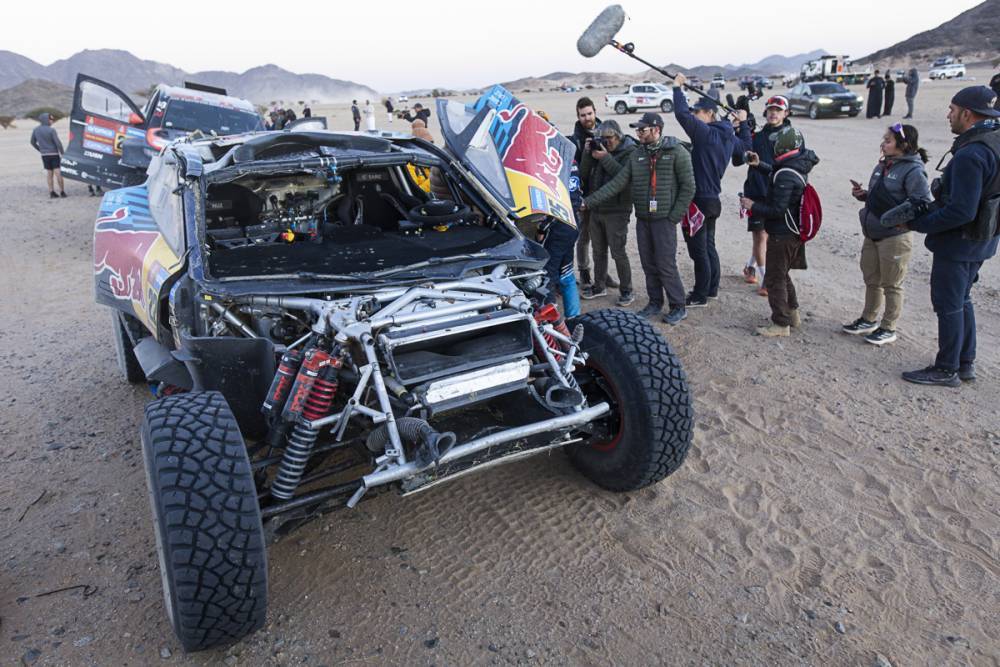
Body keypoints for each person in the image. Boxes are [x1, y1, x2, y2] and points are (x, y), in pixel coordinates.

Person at [890, 86, 1000, 386]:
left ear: (967, 113)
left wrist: (917, 224)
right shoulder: (993, 140)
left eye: (952, 109)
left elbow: (961, 211)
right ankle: (965, 363)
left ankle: (946, 368)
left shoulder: (973, 152)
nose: (948, 114)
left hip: (960, 240)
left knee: (949, 303)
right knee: (963, 299)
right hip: (983, 238)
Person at [583, 112, 696, 325]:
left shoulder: (676, 152)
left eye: (642, 130)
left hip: (664, 220)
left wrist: (674, 216)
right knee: (648, 264)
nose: (638, 134)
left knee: (665, 264)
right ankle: (654, 302)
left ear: (656, 129)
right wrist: (588, 202)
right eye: (637, 130)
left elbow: (689, 187)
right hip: (644, 219)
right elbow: (618, 183)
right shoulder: (638, 155)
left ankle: (678, 305)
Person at [844, 123, 931, 345]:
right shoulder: (883, 165)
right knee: (872, 279)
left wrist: (903, 222)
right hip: (872, 233)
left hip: (894, 237)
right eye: (884, 139)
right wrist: (863, 195)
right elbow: (881, 197)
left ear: (904, 145)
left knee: (892, 284)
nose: (883, 144)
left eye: (888, 140)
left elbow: (921, 202)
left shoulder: (913, 170)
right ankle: (868, 319)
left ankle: (888, 327)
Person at [739, 127, 820, 337]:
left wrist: (752, 206)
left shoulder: (785, 174)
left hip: (782, 234)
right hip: (792, 232)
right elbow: (778, 173)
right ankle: (792, 315)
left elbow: (777, 209)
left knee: (775, 279)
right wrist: (761, 165)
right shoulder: (796, 165)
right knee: (782, 274)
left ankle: (780, 323)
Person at [672, 73, 741, 307]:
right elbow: (744, 148)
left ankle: (700, 294)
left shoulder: (706, 133)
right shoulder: (728, 135)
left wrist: (677, 88)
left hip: (700, 200)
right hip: (713, 200)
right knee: (709, 246)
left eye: (697, 112)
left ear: (710, 114)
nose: (693, 115)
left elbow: (681, 114)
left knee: (698, 250)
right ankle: (712, 289)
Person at [733, 95, 796, 295]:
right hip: (755, 194)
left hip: (779, 195)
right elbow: (738, 158)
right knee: (760, 236)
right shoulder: (757, 136)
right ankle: (766, 279)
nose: (773, 113)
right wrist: (740, 128)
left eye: (778, 110)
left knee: (769, 238)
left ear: (786, 113)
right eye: (770, 109)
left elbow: (788, 170)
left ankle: (750, 266)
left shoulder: (791, 137)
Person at [578, 119, 637, 305]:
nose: (606, 142)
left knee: (618, 252)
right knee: (598, 251)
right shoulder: (599, 149)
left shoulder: (630, 151)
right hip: (597, 209)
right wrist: (589, 153)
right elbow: (583, 174)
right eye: (601, 138)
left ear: (618, 136)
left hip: (617, 210)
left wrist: (604, 158)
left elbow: (622, 178)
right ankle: (599, 285)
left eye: (609, 138)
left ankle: (627, 290)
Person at [569, 97, 603, 289]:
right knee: (584, 236)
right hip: (585, 194)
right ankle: (584, 272)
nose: (587, 118)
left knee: (601, 237)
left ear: (595, 112)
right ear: (578, 116)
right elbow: (577, 171)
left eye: (589, 113)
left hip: (603, 193)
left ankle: (602, 273)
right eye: (583, 115)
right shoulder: (576, 140)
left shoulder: (606, 130)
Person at [29, 112, 66, 199]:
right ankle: (62, 192)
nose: (52, 121)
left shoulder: (36, 130)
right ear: (46, 120)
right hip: (54, 154)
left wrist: (40, 149)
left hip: (44, 155)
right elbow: (58, 143)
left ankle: (51, 192)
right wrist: (62, 153)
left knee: (49, 174)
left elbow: (32, 142)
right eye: (51, 119)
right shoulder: (51, 130)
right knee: (58, 173)